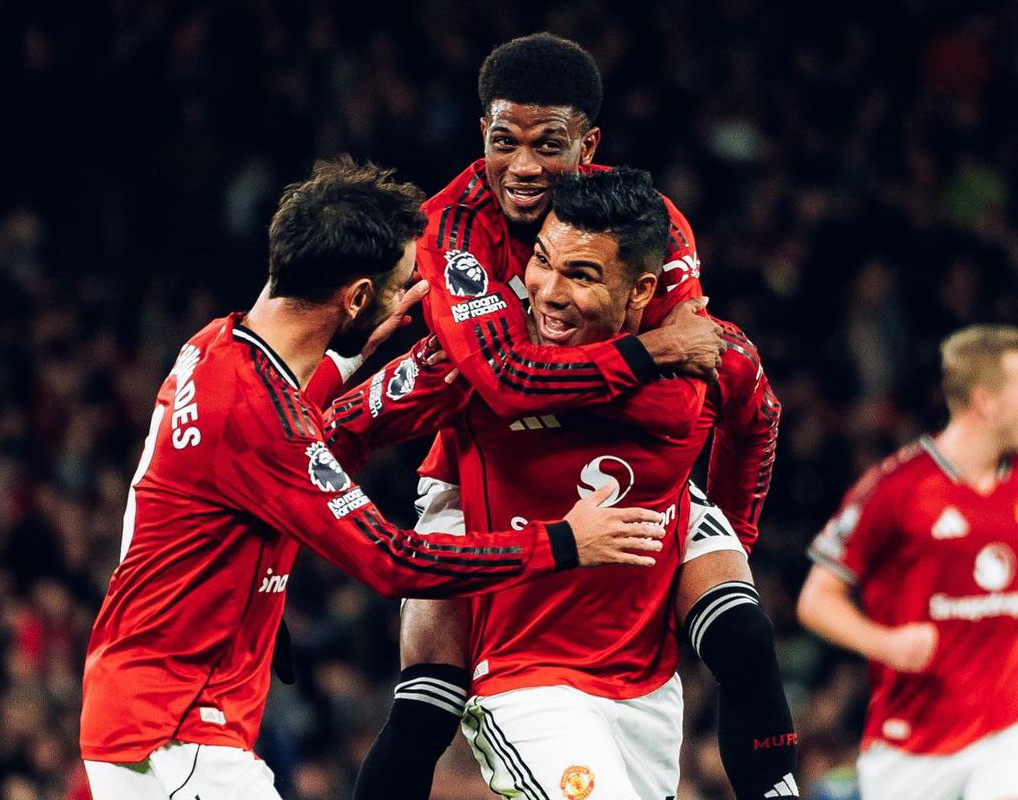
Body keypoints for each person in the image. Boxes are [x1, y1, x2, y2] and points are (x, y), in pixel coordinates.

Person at [78, 158, 672, 800]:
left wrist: (349, 354)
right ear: (357, 297)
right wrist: (563, 541)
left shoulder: (213, 348)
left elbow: (282, 422)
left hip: (151, 713)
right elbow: (394, 562)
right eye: (400, 287)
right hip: (174, 733)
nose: (413, 300)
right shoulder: (256, 415)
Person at [348, 33, 797, 800]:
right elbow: (505, 384)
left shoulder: (651, 223)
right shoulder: (449, 232)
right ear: (481, 134)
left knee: (745, 635)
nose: (523, 167)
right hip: (481, 464)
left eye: (547, 145)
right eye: (504, 141)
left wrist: (728, 534)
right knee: (428, 700)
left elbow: (693, 387)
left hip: (637, 466)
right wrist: (647, 353)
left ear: (587, 146)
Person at [798, 324, 1018, 800]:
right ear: (985, 401)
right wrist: (887, 644)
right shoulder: (897, 486)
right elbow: (816, 600)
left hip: (1005, 733)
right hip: (912, 745)